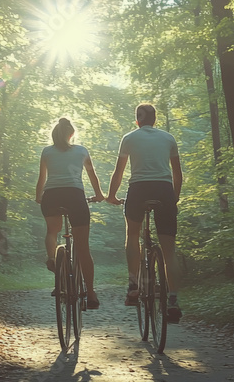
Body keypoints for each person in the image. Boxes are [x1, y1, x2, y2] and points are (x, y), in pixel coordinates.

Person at [107, 103, 183, 322]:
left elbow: (118, 172)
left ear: (137, 120)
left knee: (132, 235)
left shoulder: (129, 138)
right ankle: (173, 300)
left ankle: (133, 286)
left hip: (138, 190)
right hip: (164, 190)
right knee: (169, 251)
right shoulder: (168, 138)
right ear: (155, 119)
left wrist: (111, 196)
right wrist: (174, 199)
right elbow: (178, 175)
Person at [36, 117, 105, 309]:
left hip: (51, 196)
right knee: (83, 248)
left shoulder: (47, 151)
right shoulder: (81, 151)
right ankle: (90, 294)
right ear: (72, 133)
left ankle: (52, 258)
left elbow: (42, 178)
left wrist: (38, 196)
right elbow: (92, 176)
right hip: (75, 196)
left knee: (52, 231)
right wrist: (99, 195)